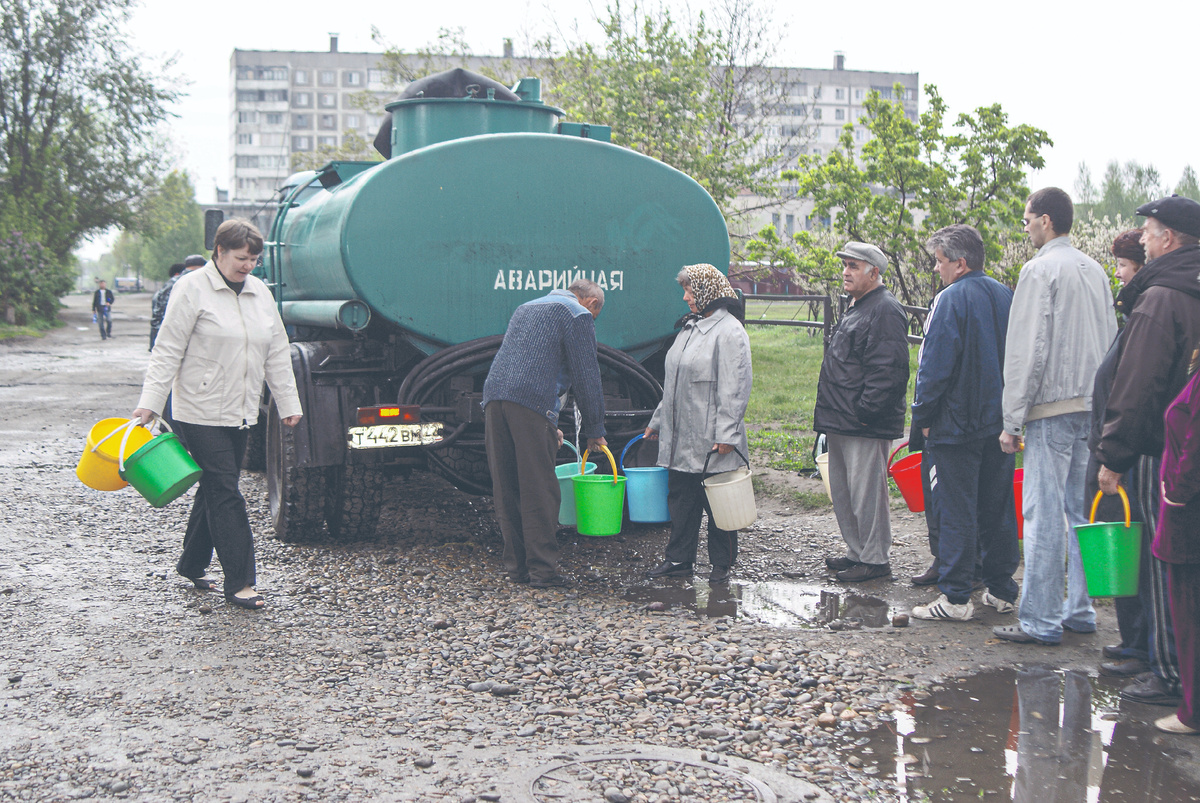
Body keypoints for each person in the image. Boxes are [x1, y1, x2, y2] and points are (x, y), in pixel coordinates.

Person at [132, 219, 302, 611]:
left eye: (254, 260)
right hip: (198, 408)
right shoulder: (191, 289)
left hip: (241, 410)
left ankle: (192, 564)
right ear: (219, 251)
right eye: (242, 258)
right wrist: (151, 402)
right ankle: (240, 581)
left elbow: (277, 350)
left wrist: (288, 403)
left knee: (215, 483)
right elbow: (168, 349)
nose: (248, 266)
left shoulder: (260, 292)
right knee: (226, 489)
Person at [995, 188, 1117, 646]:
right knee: (1080, 512)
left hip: (1050, 409)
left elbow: (1028, 349)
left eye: (1027, 220)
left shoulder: (1039, 269)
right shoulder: (1095, 270)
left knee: (1042, 514)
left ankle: (1040, 620)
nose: (1025, 228)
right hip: (1093, 406)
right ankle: (1079, 609)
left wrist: (1012, 419)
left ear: (1045, 221)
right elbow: (1110, 340)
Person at [1096, 195, 1200, 708]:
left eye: (1150, 232)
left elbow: (1137, 384)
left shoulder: (1161, 296)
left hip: (1160, 449)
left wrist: (1114, 454)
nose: (1143, 240)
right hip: (1191, 449)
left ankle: (1167, 672)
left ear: (1171, 239)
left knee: (1161, 561)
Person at [910, 224, 1020, 622]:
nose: (937, 269)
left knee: (954, 508)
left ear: (959, 263)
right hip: (1000, 420)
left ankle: (955, 597)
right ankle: (1002, 588)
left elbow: (934, 365)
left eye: (939, 261)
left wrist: (922, 417)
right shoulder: (1006, 293)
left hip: (955, 425)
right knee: (997, 505)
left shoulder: (950, 298)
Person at [482, 279, 607, 588]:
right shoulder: (577, 314)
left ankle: (517, 569)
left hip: (494, 399)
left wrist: (549, 421)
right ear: (591, 303)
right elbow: (586, 375)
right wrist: (595, 430)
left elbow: (528, 363)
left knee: (507, 485)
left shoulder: (526, 307)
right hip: (530, 402)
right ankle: (543, 572)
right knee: (539, 487)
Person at [645, 264, 752, 584]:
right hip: (683, 435)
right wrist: (658, 421)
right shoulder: (690, 328)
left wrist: (727, 434)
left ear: (708, 292)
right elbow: (674, 383)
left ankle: (721, 567)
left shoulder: (730, 332)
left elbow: (736, 387)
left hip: (712, 437)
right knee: (682, 499)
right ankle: (679, 560)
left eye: (690, 290)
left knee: (719, 504)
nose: (685, 297)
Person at [814, 242, 909, 582]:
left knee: (867, 494)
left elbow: (890, 371)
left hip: (863, 423)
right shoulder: (858, 305)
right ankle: (857, 552)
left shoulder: (884, 309)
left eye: (853, 266)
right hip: (842, 420)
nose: (845, 272)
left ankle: (875, 559)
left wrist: (865, 414)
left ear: (874, 272)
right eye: (845, 265)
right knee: (844, 492)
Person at [1086, 230, 1149, 678]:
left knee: (1133, 545)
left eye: (1124, 265)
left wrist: (1114, 454)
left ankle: (1142, 646)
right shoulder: (1133, 315)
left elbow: (1133, 391)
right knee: (1126, 543)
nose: (1118, 272)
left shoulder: (1147, 314)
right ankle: (1133, 640)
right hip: (1119, 446)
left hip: (1130, 453)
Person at [1152, 364, 1200, 735]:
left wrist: (1179, 493)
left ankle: (1193, 710)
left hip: (1190, 518)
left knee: (1190, 612)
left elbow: (1195, 443)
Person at [150, 255, 206, 351]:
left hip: (166, 340)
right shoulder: (200, 282)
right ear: (202, 267)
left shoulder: (171, 283)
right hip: (191, 342)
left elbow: (158, 314)